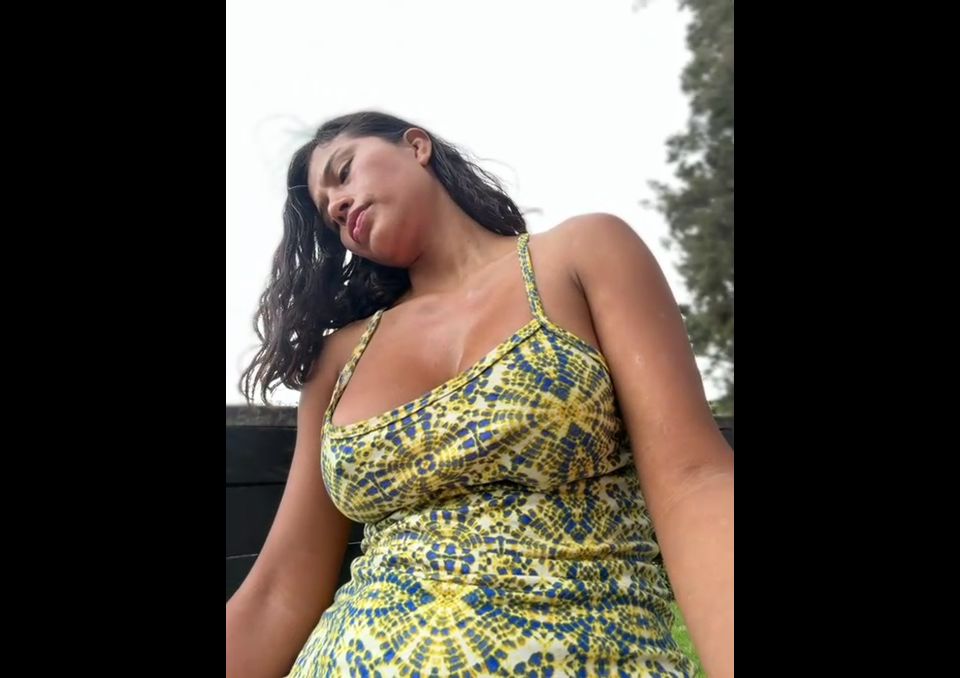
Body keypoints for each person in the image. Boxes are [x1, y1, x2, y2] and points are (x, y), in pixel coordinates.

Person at [227, 111, 733, 678]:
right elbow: (280, 589)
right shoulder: (339, 358)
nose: (340, 207)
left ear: (417, 147)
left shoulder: (580, 254)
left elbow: (693, 480)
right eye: (329, 215)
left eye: (343, 173)